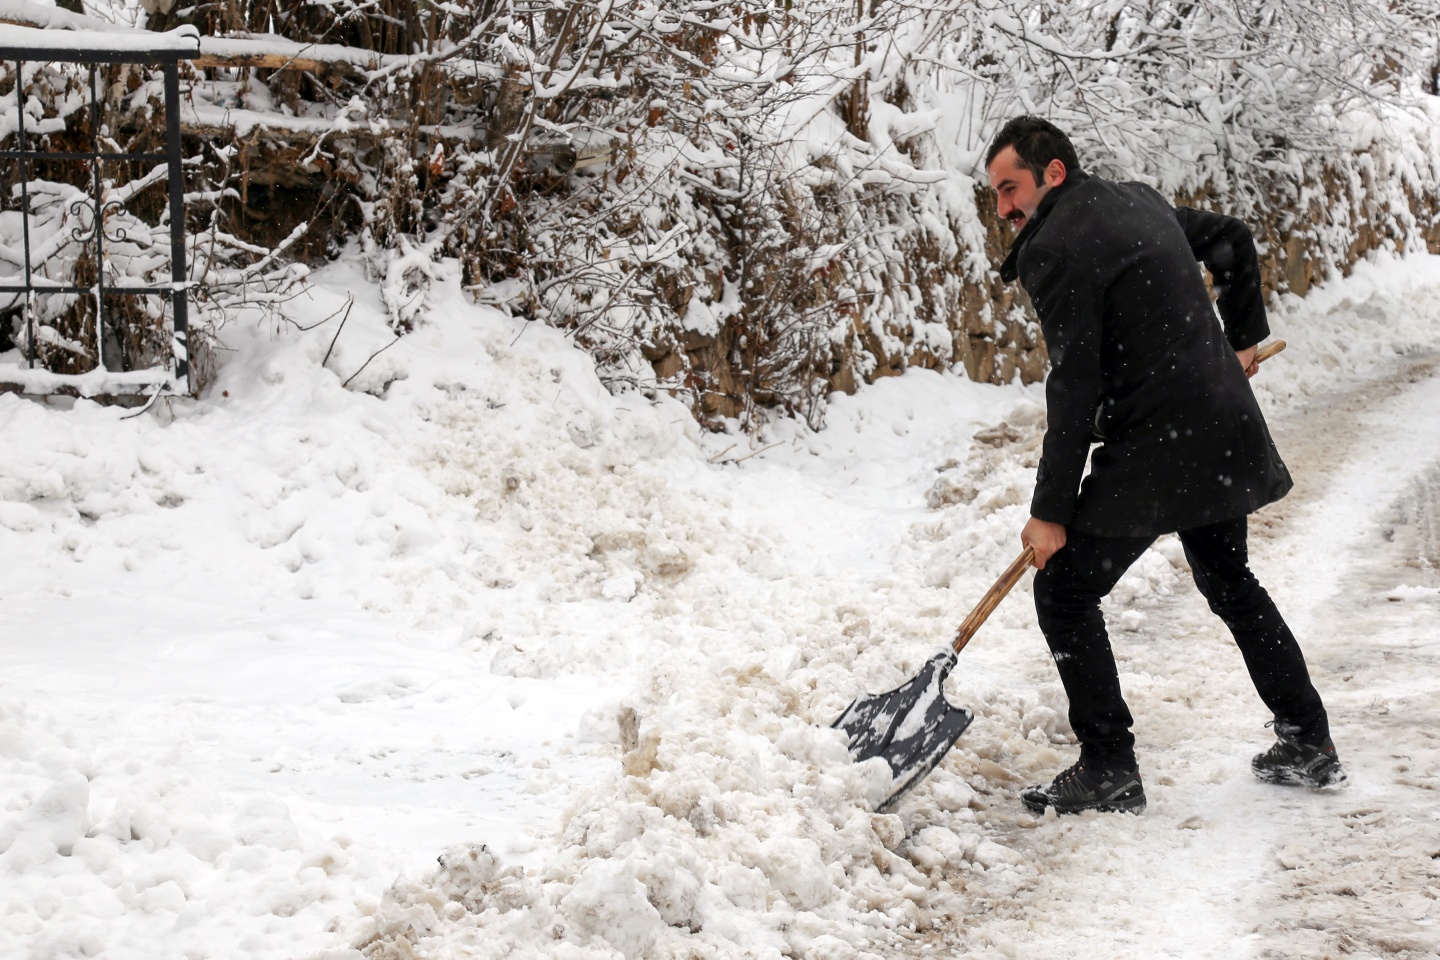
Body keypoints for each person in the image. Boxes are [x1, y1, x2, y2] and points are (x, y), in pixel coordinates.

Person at [984, 116, 1346, 815]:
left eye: (1010, 189)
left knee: (1062, 590)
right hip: (1215, 423)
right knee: (1230, 579)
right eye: (995, 194)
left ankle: (1108, 767)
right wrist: (1243, 339)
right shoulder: (1141, 200)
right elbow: (1233, 239)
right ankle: (1308, 740)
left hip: (1162, 442)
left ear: (1052, 174)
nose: (1003, 209)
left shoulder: (1054, 248)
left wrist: (1050, 511)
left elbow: (1074, 384)